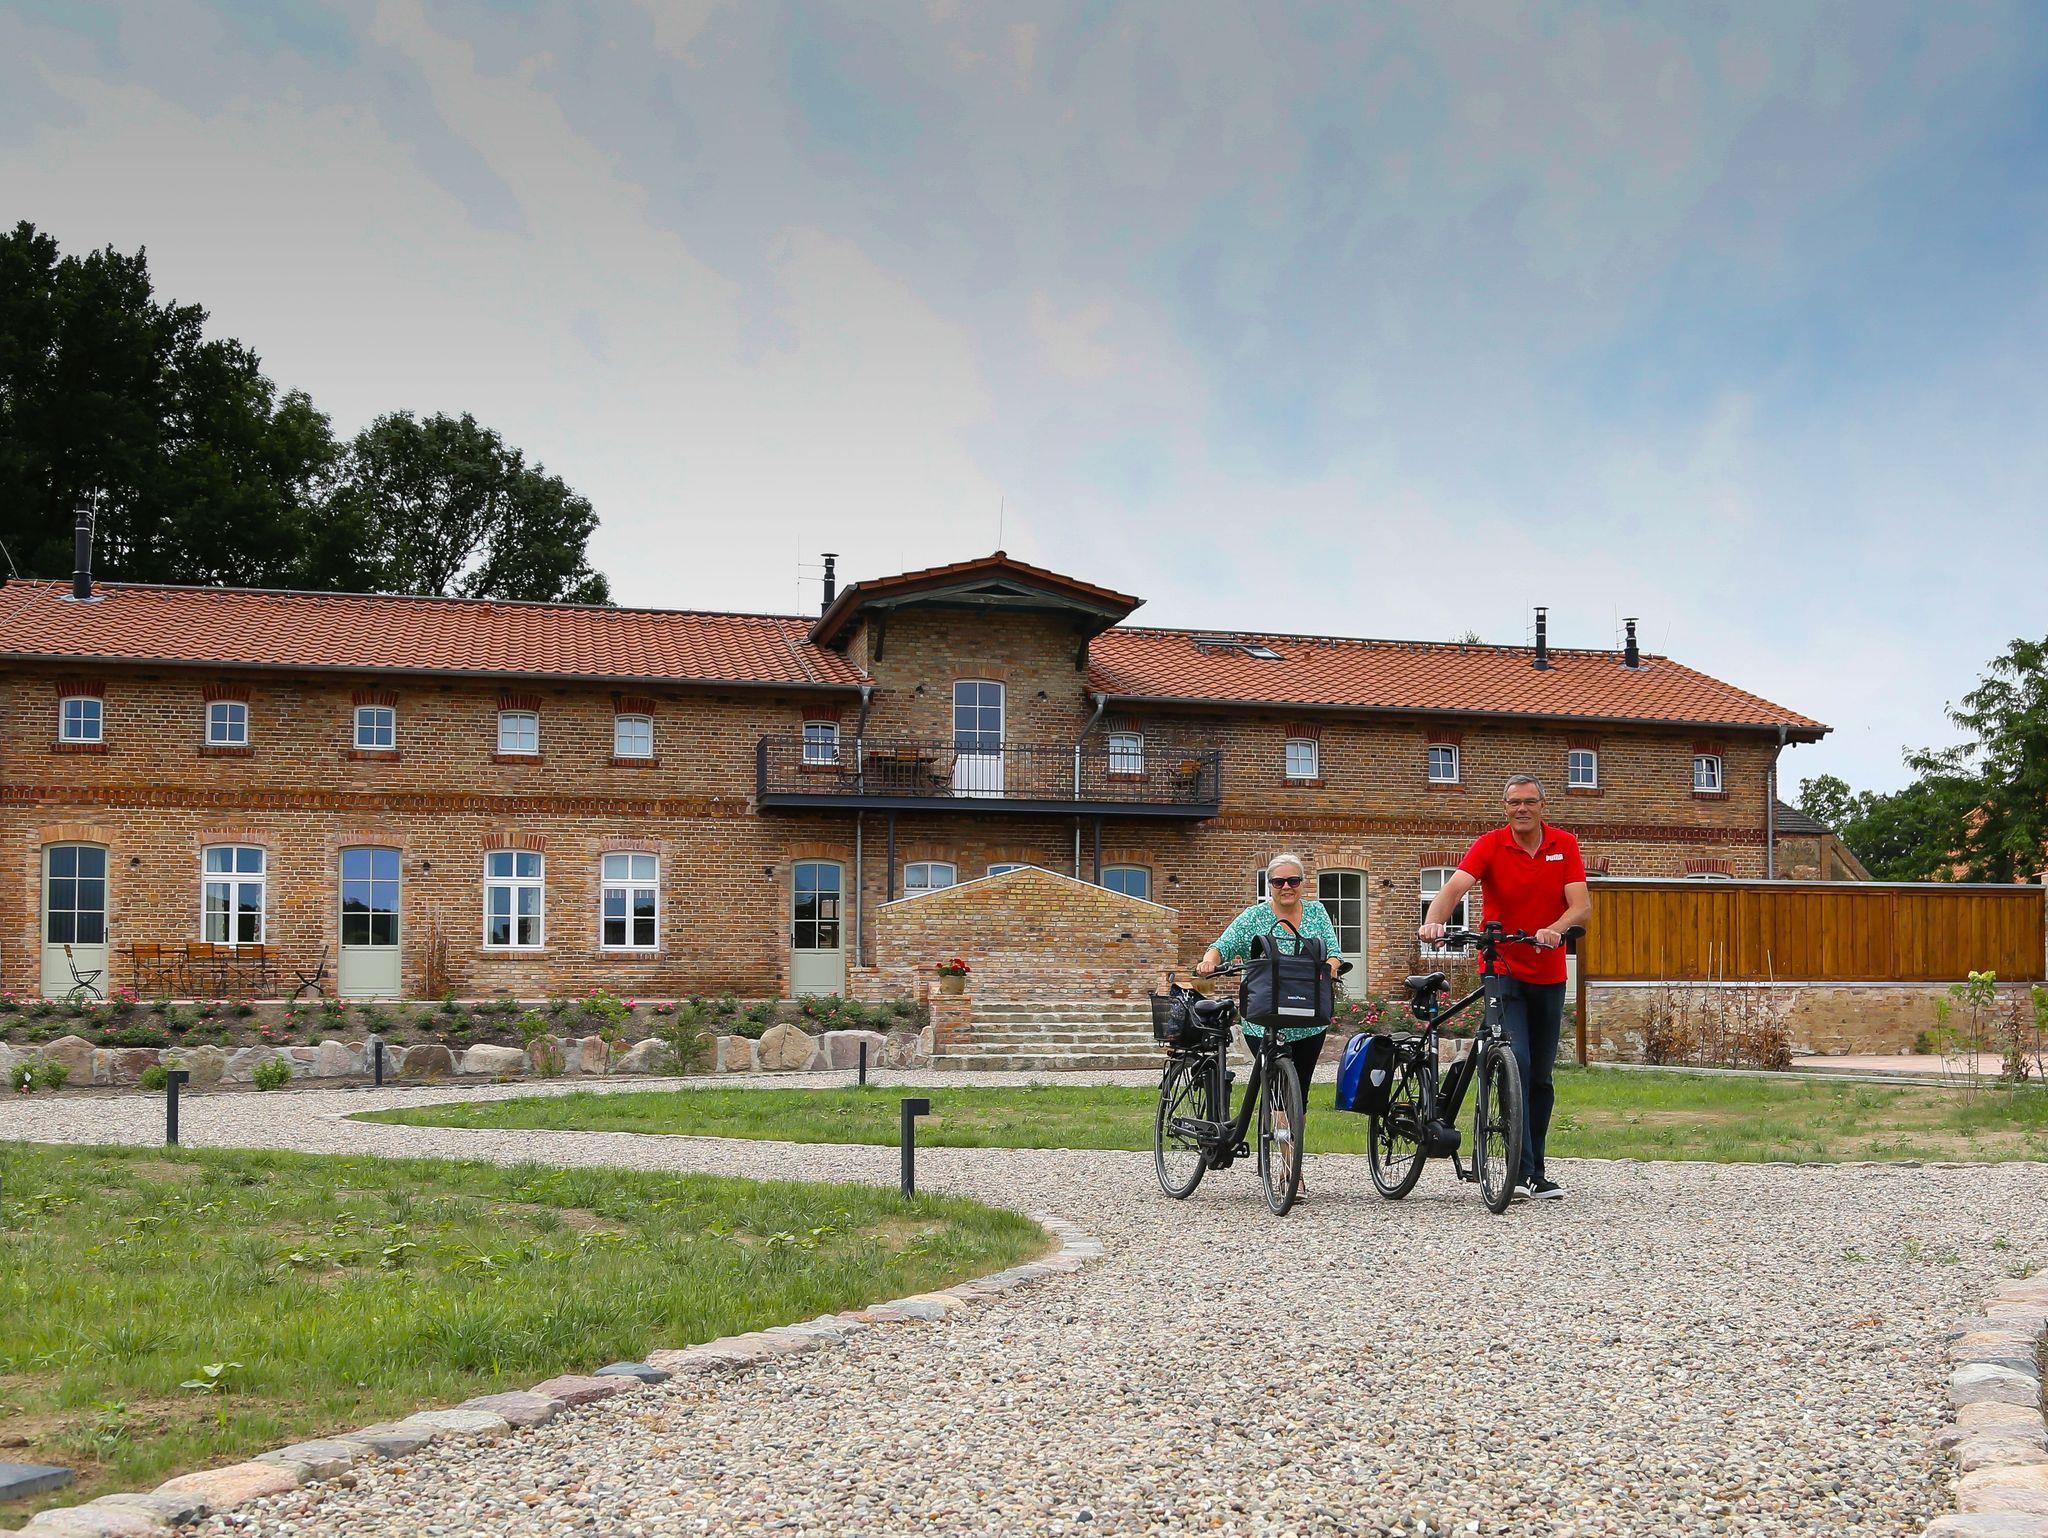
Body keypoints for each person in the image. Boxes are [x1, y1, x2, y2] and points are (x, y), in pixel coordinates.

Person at [1418, 775, 1591, 1201]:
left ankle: (1535, 1170)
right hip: (1502, 968)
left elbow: (1581, 905)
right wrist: (1434, 921)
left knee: (1541, 1076)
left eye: (1530, 801)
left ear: (1543, 805)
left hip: (1548, 972)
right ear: (1505, 807)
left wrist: (1555, 929)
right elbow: (1455, 888)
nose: (1522, 809)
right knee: (1518, 1059)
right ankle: (1518, 1172)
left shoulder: (1564, 844)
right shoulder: (1490, 844)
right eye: (1514, 802)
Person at [1196, 853, 1345, 1149]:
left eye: (1293, 881)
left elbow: (1334, 953)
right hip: (1263, 1019)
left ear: (1302, 883)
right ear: (1270, 885)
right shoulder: (1253, 917)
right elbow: (1222, 945)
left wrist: (1329, 968)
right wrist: (1208, 961)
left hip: (1308, 1018)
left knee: (1299, 1093)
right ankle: (1289, 1165)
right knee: (1277, 1092)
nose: (1286, 887)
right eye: (1279, 882)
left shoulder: (1317, 912)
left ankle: (1291, 1161)